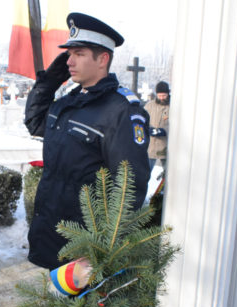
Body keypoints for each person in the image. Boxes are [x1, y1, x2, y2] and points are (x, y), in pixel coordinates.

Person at [25, 12, 151, 270]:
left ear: (102, 59)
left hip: (85, 250)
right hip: (52, 237)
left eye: (79, 54)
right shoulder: (69, 102)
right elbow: (35, 122)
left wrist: (101, 251)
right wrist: (50, 81)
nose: (69, 61)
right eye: (69, 54)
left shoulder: (121, 111)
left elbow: (129, 188)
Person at [144, 81, 170, 170]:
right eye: (160, 96)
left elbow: (176, 125)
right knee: (146, 171)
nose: (162, 98)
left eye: (164, 96)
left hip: (165, 147)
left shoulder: (172, 106)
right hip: (151, 146)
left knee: (168, 172)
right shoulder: (149, 106)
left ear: (168, 94)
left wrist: (165, 131)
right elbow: (143, 120)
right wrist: (148, 129)